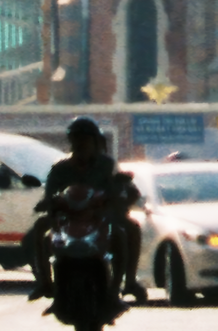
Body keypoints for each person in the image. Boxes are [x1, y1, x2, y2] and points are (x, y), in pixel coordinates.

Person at [25, 117, 145, 302]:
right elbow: (49, 195)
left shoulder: (107, 165)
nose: (81, 144)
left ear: (95, 142)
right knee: (40, 229)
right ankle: (45, 282)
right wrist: (49, 203)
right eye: (76, 139)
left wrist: (118, 199)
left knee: (127, 230)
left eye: (86, 139)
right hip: (68, 219)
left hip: (101, 217)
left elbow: (124, 190)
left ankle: (126, 283)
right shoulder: (60, 168)